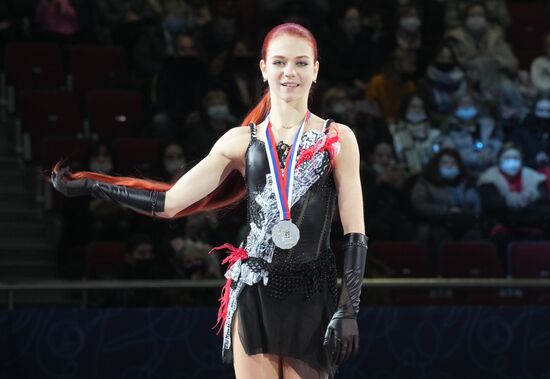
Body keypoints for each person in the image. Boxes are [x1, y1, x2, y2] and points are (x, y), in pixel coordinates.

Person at [50, 23, 367, 379]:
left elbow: (355, 234)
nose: (289, 72)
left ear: (316, 69)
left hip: (312, 290)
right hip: (255, 288)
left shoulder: (338, 138)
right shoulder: (238, 141)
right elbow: (169, 202)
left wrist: (349, 308)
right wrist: (94, 184)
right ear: (263, 69)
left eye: (300, 62)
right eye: (278, 62)